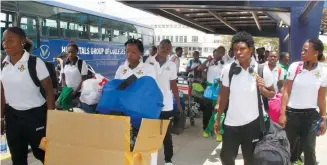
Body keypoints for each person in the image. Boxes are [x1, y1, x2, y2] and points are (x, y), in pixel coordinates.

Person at [214, 31, 275, 165]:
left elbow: (272, 93)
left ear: (250, 50)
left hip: (252, 124)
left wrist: (262, 88)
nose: (238, 52)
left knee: (251, 160)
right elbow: (224, 96)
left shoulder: (262, 70)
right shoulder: (228, 69)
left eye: (242, 49)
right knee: (226, 157)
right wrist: (218, 118)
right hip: (231, 123)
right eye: (235, 49)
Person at [0, 27, 55, 165]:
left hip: (35, 117)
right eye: (4, 40)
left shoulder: (35, 63)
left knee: (42, 154)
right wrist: (1, 118)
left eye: (10, 40)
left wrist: (52, 116)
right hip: (12, 117)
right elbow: (2, 92)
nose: (5, 43)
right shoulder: (3, 65)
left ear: (23, 41)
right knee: (17, 157)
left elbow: (49, 90)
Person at [279, 39, 327, 165]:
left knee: (309, 149)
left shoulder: (323, 71)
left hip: (311, 116)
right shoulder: (295, 67)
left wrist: (323, 118)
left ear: (316, 52)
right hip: (292, 114)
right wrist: (282, 113)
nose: (302, 52)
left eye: (305, 50)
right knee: (289, 148)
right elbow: (286, 91)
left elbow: (321, 97)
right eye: (302, 49)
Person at [146, 39, 183, 165]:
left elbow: (173, 85)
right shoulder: (148, 61)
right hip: (150, 104)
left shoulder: (171, 65)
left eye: (168, 49)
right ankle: (150, 159)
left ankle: (168, 160)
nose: (165, 50)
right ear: (158, 47)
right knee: (149, 132)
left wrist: (178, 103)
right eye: (163, 47)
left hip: (166, 104)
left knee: (166, 133)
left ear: (170, 51)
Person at [198, 47, 225, 141]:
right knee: (207, 111)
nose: (220, 54)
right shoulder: (210, 62)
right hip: (209, 90)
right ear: (215, 53)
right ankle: (206, 129)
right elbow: (200, 68)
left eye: (222, 52)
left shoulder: (224, 64)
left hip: (220, 89)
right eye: (218, 52)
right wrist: (207, 60)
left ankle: (218, 131)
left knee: (219, 111)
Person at [59, 41, 88, 107]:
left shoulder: (81, 63)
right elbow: (63, 76)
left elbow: (83, 80)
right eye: (69, 52)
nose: (71, 54)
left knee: (75, 111)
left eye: (73, 52)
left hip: (78, 93)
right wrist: (65, 89)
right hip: (67, 92)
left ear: (76, 52)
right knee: (60, 107)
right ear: (67, 52)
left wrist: (74, 93)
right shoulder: (64, 63)